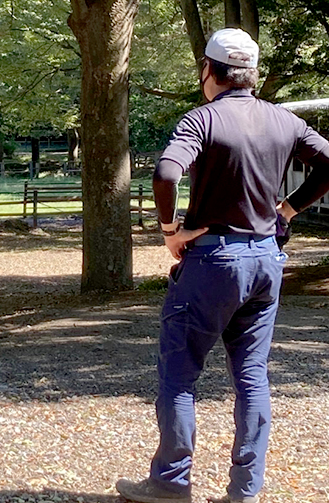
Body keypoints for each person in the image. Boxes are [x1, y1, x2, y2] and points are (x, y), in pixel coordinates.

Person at [116, 28, 329, 503]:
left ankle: (170, 485)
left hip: (213, 261)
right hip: (266, 260)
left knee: (180, 375)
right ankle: (245, 491)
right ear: (251, 75)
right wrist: (289, 209)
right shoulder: (283, 121)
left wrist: (170, 230)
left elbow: (167, 172)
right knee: (252, 375)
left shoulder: (201, 121)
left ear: (207, 71)